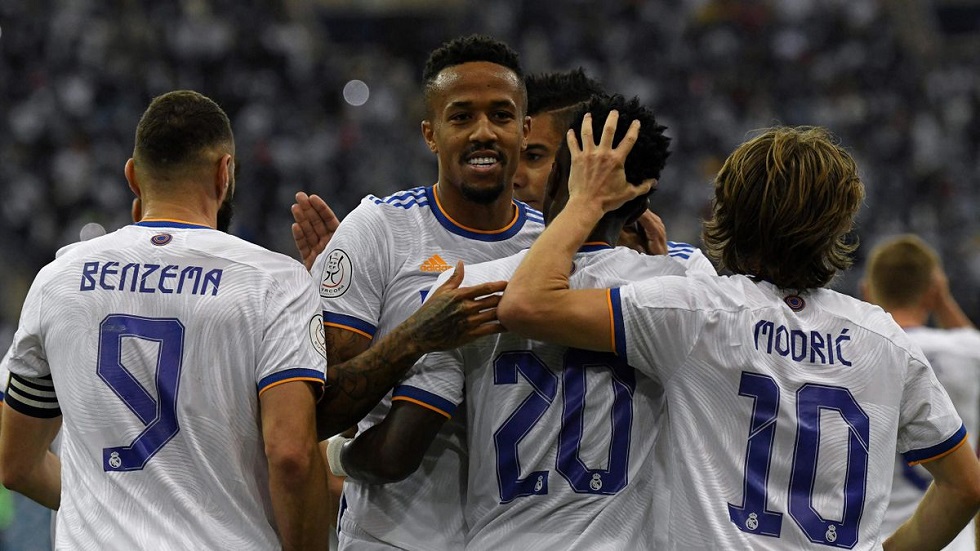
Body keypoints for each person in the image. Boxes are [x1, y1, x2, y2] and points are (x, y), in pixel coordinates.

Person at [498, 121, 980, 549]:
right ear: (841, 221)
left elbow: (528, 303)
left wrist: (584, 203)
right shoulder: (886, 339)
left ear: (726, 212)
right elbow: (966, 487)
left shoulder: (695, 311)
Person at [328, 94, 716, 549]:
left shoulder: (471, 287)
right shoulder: (684, 295)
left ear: (556, 180)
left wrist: (336, 455)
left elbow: (395, 455)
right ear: (638, 205)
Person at [0, 90, 332, 550]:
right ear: (225, 173)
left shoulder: (58, 280)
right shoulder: (274, 281)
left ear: (132, 176)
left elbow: (15, 464)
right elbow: (292, 455)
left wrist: (106, 506)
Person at [310, 35, 541, 550]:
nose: (484, 132)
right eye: (461, 117)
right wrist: (414, 337)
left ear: (524, 131)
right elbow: (320, 410)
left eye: (501, 115)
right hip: (392, 539)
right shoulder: (378, 230)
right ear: (430, 134)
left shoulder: (552, 246)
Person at [862, 234, 980, 551]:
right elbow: (971, 338)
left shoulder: (854, 353)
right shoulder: (968, 351)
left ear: (866, 291)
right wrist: (943, 300)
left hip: (874, 539)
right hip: (953, 540)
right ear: (933, 291)